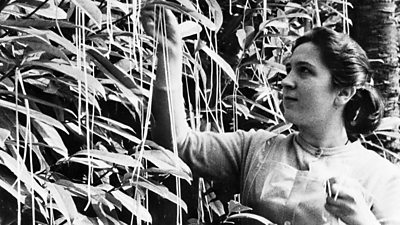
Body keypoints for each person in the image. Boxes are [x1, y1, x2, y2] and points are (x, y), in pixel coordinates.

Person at [141, 6, 400, 225]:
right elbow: (176, 143)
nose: (286, 81)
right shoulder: (255, 147)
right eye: (288, 69)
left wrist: (362, 219)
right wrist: (170, 54)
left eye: (305, 71)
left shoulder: (382, 176)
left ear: (343, 92)